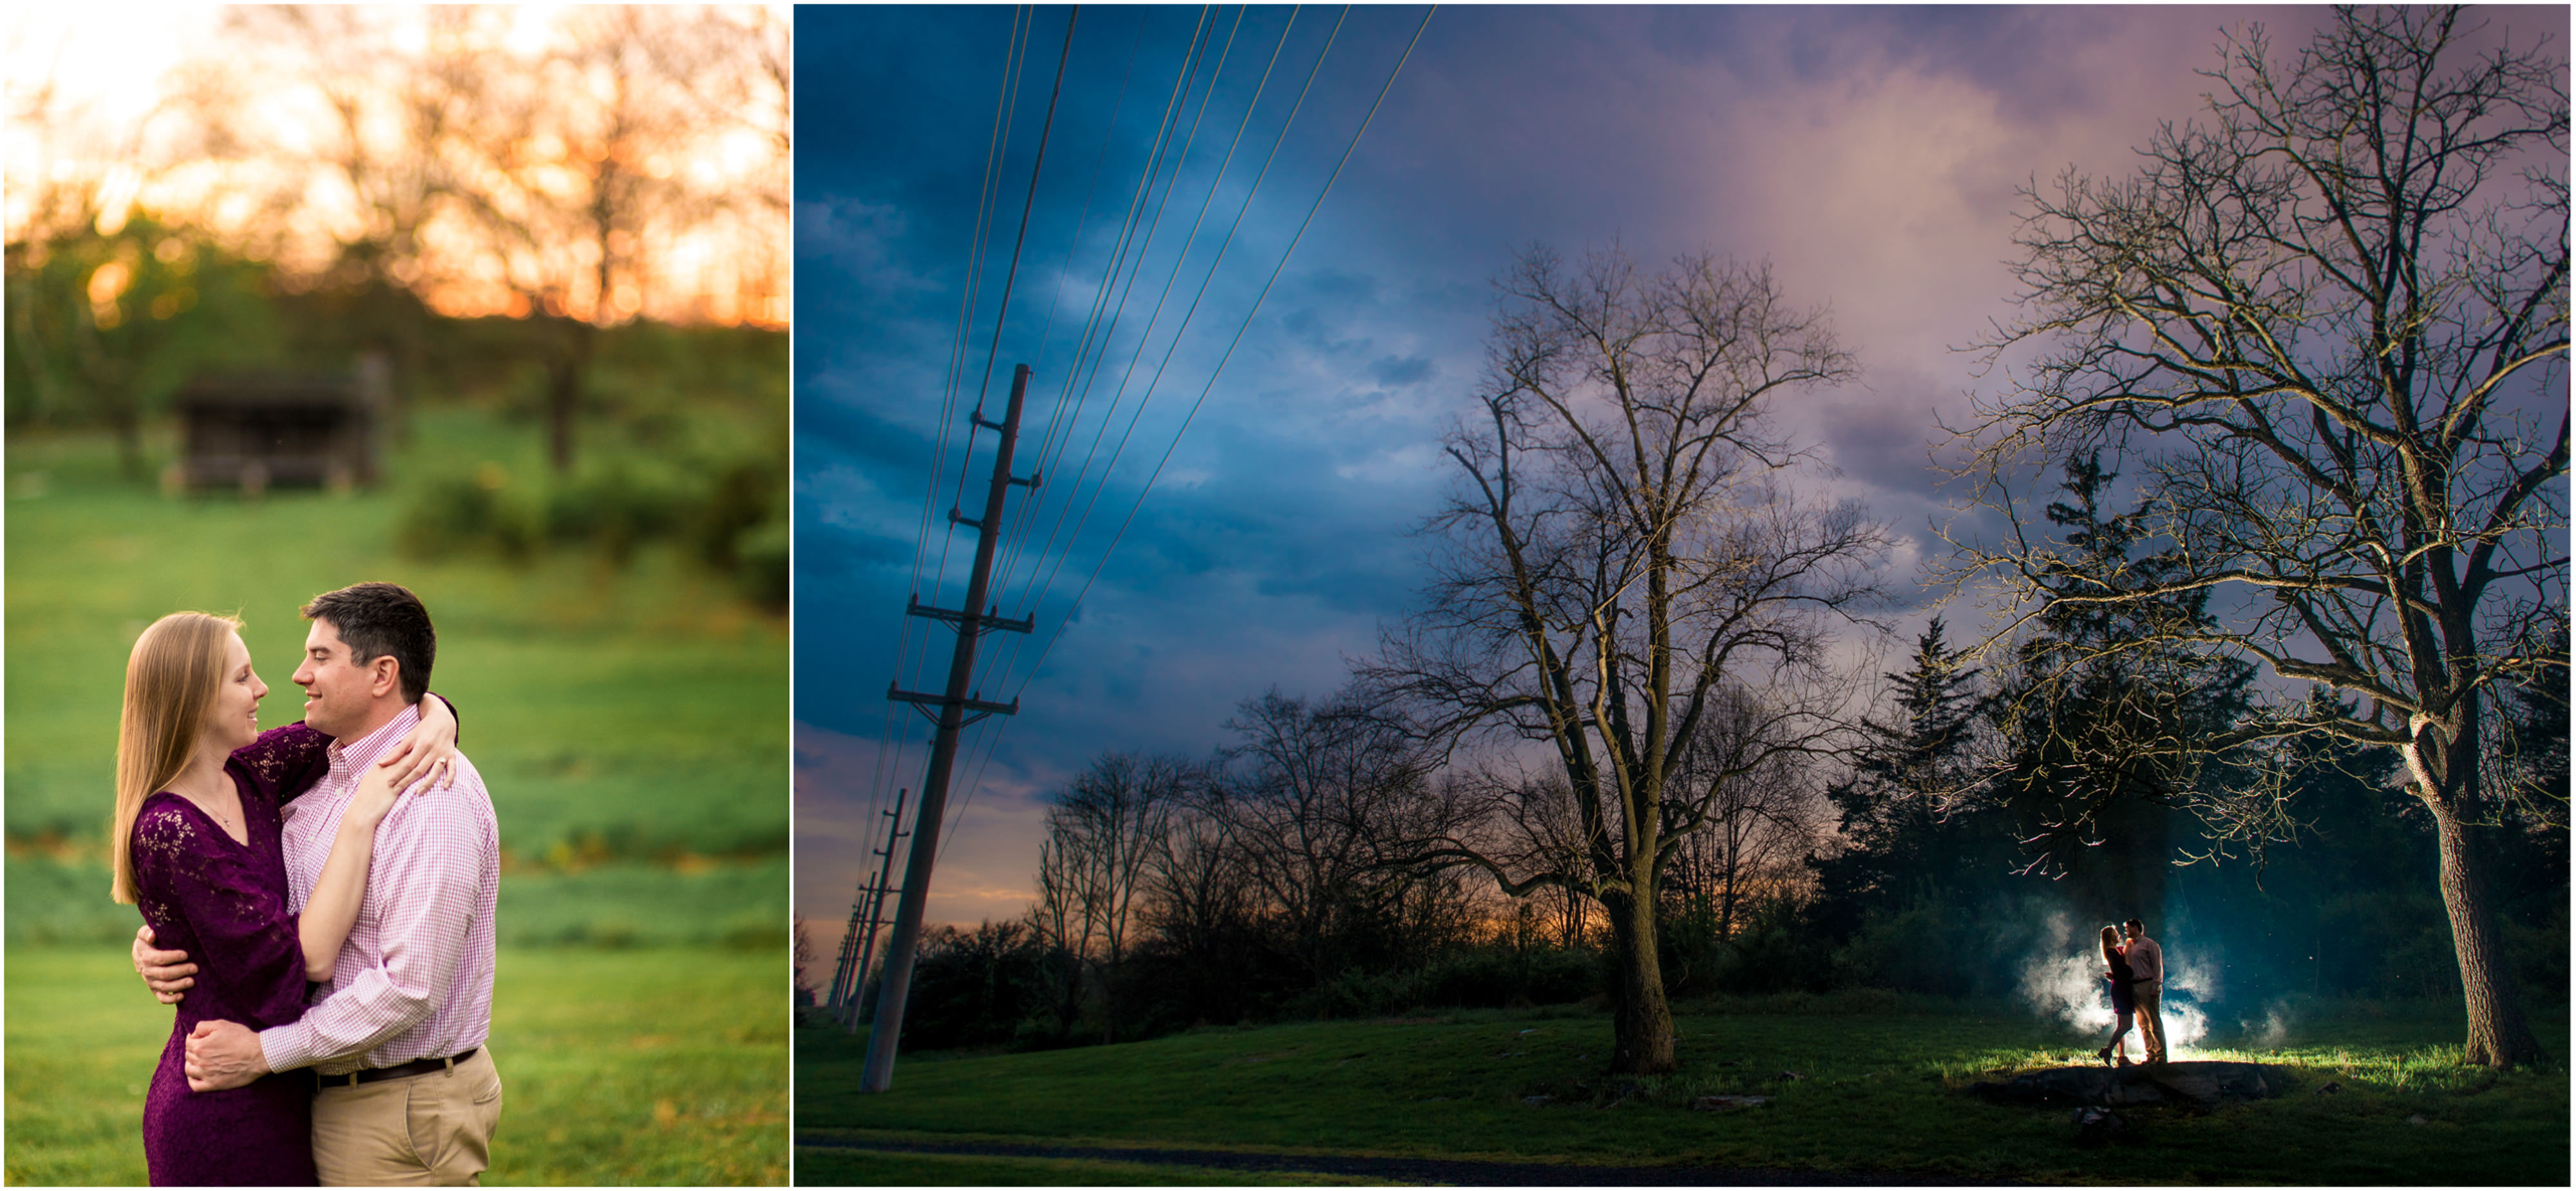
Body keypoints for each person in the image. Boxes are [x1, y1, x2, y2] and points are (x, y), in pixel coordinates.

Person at [137, 583, 503, 1186]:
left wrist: (266, 1053)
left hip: (398, 1103)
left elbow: (409, 988)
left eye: (321, 657)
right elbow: (226, 884)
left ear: (382, 674)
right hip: (298, 1093)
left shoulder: (430, 796)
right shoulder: (314, 773)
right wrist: (166, 936)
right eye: (244, 676)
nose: (293, 677)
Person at [2092, 924, 2138, 1068]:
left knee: (2121, 1025)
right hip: (2121, 990)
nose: (2119, 935)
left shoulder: (2116, 951)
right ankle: (2108, 1050)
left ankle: (2122, 1056)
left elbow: (2119, 971)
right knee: (2127, 1025)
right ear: (2111, 936)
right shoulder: (2111, 952)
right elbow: (2124, 971)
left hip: (2122, 987)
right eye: (2116, 933)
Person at [2124, 917, 2166, 1066]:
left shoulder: (2149, 944)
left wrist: (2156, 985)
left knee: (2154, 1021)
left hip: (2147, 984)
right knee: (2143, 1024)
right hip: (2135, 985)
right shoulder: (2131, 946)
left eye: (2128, 928)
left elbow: (2157, 966)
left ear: (2135, 927)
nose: (2126, 931)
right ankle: (2151, 1054)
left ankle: (2161, 1056)